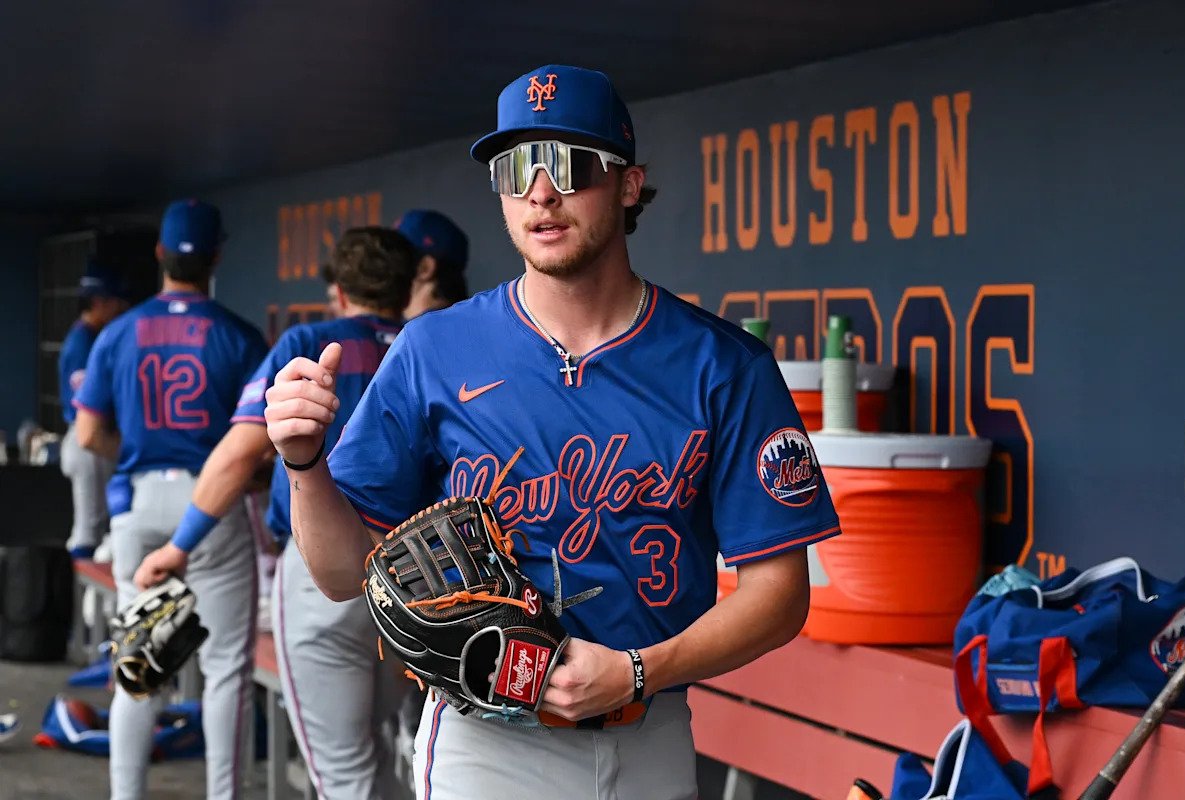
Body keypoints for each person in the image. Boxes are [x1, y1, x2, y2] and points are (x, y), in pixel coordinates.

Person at [265, 64, 840, 800]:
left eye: (569, 165)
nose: (540, 192)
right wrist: (305, 465)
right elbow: (342, 573)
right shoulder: (433, 350)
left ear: (628, 184)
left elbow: (781, 593)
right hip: (487, 741)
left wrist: (638, 671)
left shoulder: (723, 364)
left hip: (652, 729)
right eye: (515, 170)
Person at [135, 226, 425, 799]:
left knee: (344, 770)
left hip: (324, 570)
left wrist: (179, 546)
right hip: (419, 573)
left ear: (338, 291)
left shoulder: (312, 340)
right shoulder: (428, 343)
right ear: (408, 286)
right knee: (387, 749)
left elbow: (239, 454)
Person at [74, 199, 268, 800]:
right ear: (216, 257)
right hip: (209, 504)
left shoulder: (117, 332)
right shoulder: (238, 334)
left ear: (161, 254)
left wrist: (133, 450)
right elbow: (254, 447)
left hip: (137, 503)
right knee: (225, 670)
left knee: (139, 665)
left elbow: (88, 434)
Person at [59, 258, 130, 559]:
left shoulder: (90, 337)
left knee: (98, 528)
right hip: (87, 441)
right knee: (88, 531)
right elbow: (88, 409)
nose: (121, 308)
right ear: (99, 301)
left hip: (91, 440)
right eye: (115, 301)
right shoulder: (82, 342)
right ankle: (75, 589)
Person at [394, 209, 470, 317]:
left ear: (425, 268)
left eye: (393, 256)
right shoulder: (468, 319)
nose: (383, 264)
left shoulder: (426, 326)